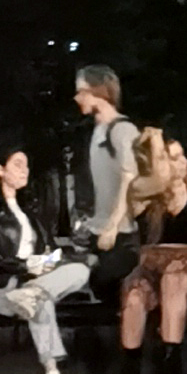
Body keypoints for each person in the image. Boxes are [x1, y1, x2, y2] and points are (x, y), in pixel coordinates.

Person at [0, 144, 90, 374]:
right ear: (0, 169)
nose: (24, 170)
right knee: (40, 300)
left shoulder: (29, 209)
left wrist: (50, 261)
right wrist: (22, 266)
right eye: (17, 164)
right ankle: (52, 372)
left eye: (26, 165)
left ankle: (31, 293)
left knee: (79, 272)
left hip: (30, 281)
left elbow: (48, 246)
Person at [115, 127, 187, 374]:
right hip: (151, 263)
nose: (183, 162)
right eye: (173, 158)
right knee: (135, 294)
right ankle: (130, 370)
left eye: (182, 156)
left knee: (174, 280)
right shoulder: (144, 195)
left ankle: (170, 365)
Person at [72, 66, 140, 289]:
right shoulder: (97, 131)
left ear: (99, 92)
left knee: (109, 287)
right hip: (99, 231)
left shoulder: (122, 130)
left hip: (121, 234)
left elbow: (129, 180)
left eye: (82, 91)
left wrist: (113, 225)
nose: (77, 97)